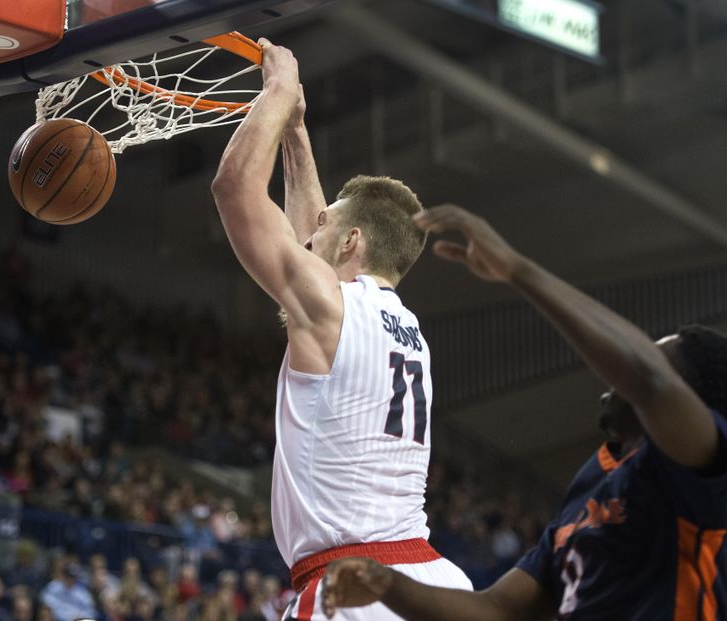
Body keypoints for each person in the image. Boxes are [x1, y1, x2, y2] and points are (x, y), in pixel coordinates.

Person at [321, 204, 727, 620]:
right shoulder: (595, 480)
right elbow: (497, 610)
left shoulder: (701, 472)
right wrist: (387, 584)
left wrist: (517, 270)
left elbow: (648, 379)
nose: (618, 374)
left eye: (656, 358)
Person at [211, 42, 472, 619]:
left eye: (327, 225)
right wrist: (296, 134)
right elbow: (317, 246)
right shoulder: (406, 327)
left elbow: (233, 190)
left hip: (352, 588)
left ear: (351, 242)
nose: (313, 229)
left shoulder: (331, 306)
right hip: (433, 581)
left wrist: (278, 91)